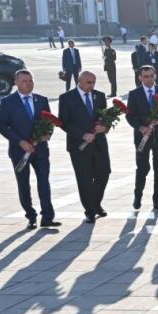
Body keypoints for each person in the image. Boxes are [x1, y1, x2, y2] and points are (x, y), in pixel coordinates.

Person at [0, 69, 59, 230]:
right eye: (25, 81)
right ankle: (31, 216)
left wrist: (47, 134)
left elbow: (49, 120)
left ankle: (47, 216)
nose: (29, 83)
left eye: (31, 80)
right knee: (23, 184)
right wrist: (20, 142)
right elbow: (2, 126)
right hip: (20, 151)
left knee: (44, 182)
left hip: (40, 150)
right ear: (16, 82)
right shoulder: (7, 102)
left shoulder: (41, 100)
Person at [58, 70, 111, 223]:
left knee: (104, 173)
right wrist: (82, 135)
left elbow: (105, 117)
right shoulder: (67, 98)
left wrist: (105, 127)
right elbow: (64, 122)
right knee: (85, 178)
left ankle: (95, 203)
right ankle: (90, 210)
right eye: (89, 82)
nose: (91, 85)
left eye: (94, 82)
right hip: (79, 146)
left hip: (99, 143)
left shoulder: (99, 96)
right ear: (79, 81)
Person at [127, 65, 158, 211]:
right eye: (145, 76)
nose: (149, 79)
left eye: (151, 76)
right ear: (140, 77)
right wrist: (141, 128)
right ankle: (138, 196)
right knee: (142, 167)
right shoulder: (134, 94)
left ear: (155, 76)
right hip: (142, 137)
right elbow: (130, 116)